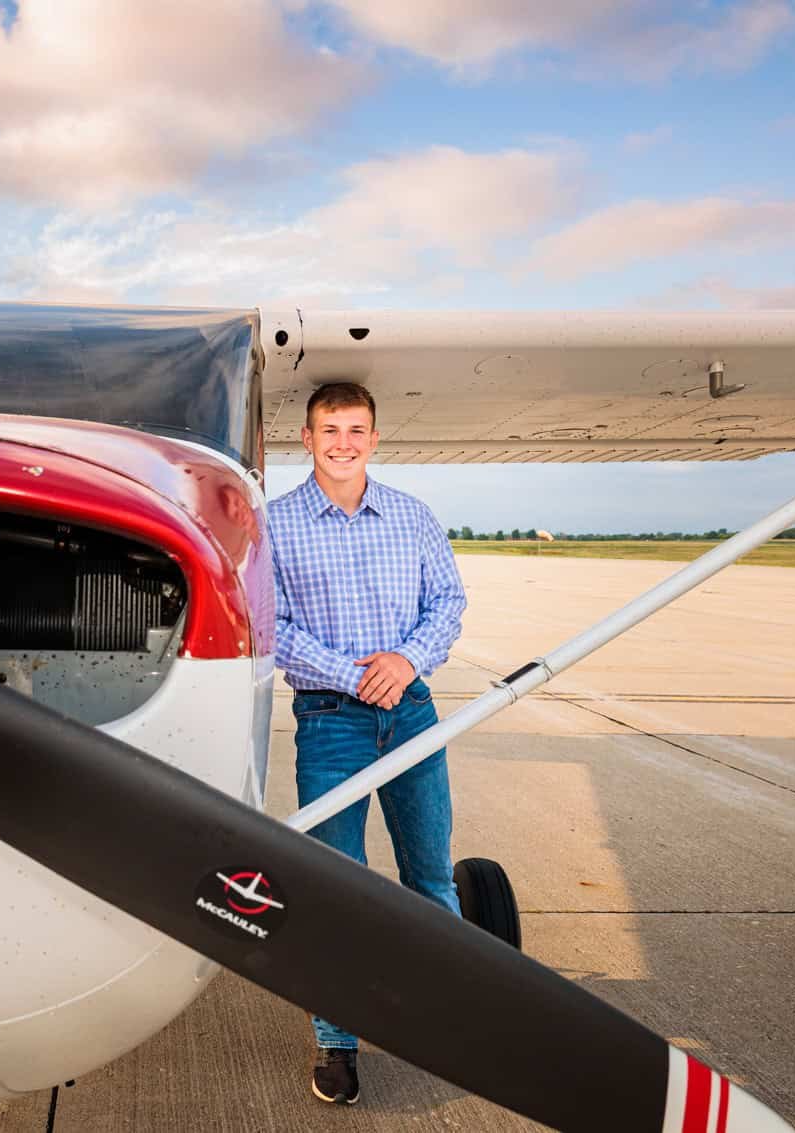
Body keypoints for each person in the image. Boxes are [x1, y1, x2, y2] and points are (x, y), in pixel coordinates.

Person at [268, 381, 467, 1105]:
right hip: (330, 721)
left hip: (411, 712)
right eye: (331, 430)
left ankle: (447, 1019)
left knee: (431, 876)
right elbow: (270, 624)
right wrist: (353, 675)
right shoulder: (277, 524)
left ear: (374, 438)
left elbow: (448, 602)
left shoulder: (412, 517)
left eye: (357, 430)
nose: (344, 442)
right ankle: (337, 1042)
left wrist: (406, 661)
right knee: (335, 884)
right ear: (308, 438)